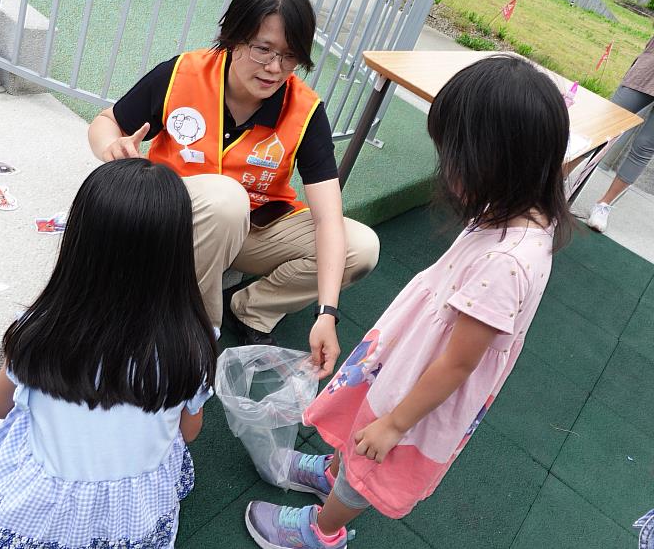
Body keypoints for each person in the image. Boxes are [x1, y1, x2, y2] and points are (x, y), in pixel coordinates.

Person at [243, 55, 573, 548]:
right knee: (361, 430)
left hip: (424, 390)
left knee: (372, 457)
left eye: (453, 157)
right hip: (412, 360)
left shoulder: (510, 261)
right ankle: (333, 472)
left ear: (496, 161)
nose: (446, 168)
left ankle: (322, 531)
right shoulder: (512, 211)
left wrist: (396, 424)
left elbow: (459, 364)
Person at [88, 0, 380, 379]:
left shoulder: (305, 109)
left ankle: (252, 308)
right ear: (233, 35)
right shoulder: (183, 74)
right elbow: (107, 122)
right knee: (226, 200)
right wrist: (111, 147)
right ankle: (195, 329)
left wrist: (327, 312)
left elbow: (328, 218)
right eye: (264, 49)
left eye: (290, 56)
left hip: (253, 228)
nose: (275, 68)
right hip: (176, 217)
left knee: (361, 246)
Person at [0, 159, 216, 549]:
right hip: (133, 515)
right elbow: (188, 433)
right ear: (176, 252)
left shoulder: (37, 330)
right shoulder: (193, 344)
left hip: (44, 509)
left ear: (78, 242)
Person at [587, 35, 654, 232]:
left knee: (645, 145)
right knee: (607, 124)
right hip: (649, 70)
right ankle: (555, 179)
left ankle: (603, 205)